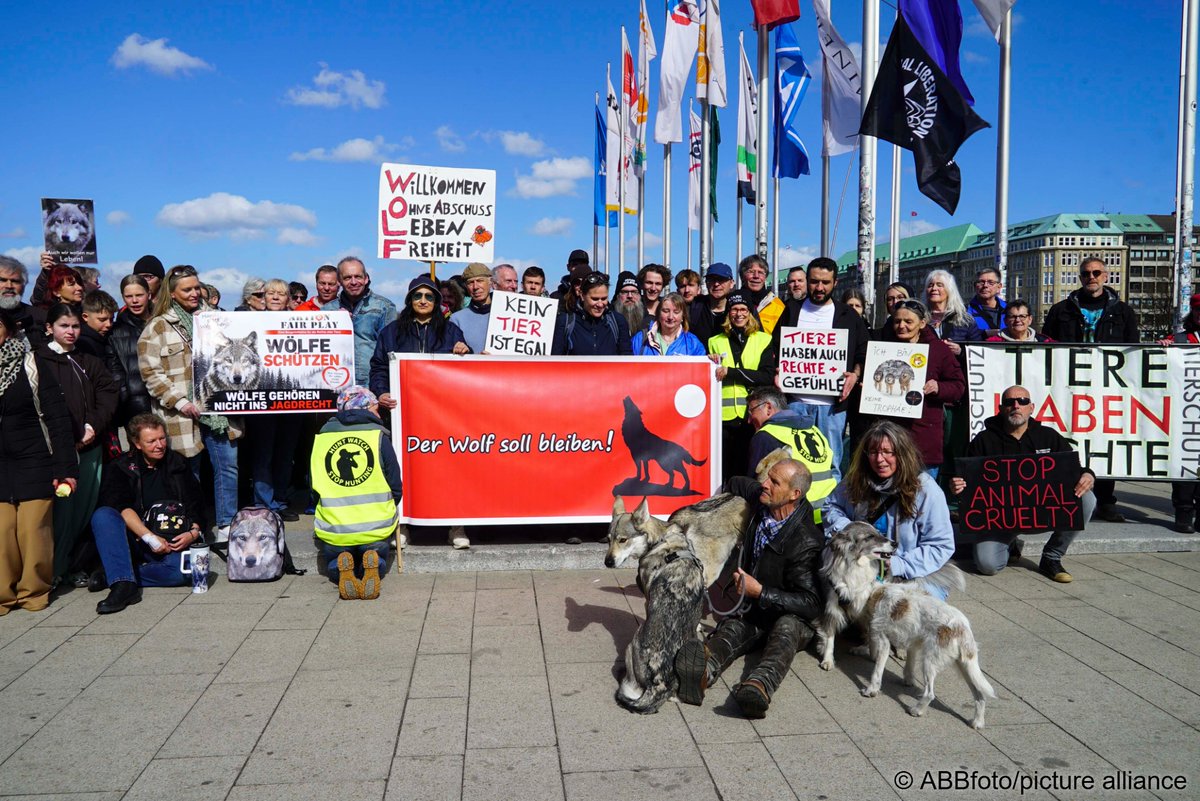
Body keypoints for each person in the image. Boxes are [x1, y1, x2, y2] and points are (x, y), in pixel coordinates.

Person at [674, 459, 823, 718]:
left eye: (774, 482)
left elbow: (812, 604)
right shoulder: (763, 499)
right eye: (768, 477)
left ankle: (759, 686)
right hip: (755, 607)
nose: (764, 484)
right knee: (732, 628)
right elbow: (735, 482)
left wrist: (761, 591)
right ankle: (701, 671)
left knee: (785, 630)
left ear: (794, 494)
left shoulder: (807, 540)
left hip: (794, 616)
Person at [950, 385, 1096, 584]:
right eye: (1010, 402)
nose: (1016, 406)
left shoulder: (1048, 436)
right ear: (1001, 408)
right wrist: (956, 485)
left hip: (1043, 511)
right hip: (999, 518)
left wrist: (1088, 474)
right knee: (987, 565)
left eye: (1023, 401)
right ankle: (1010, 544)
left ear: (1032, 407)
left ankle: (1052, 556)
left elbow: (1073, 469)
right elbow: (965, 480)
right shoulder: (983, 441)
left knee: (1087, 498)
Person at [138, 265, 243, 540]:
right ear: (172, 294)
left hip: (219, 409)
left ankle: (227, 525)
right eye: (187, 289)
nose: (195, 293)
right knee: (188, 472)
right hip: (182, 415)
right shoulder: (158, 327)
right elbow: (151, 373)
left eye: (197, 287)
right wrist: (180, 401)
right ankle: (194, 526)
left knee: (227, 466)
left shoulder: (219, 320)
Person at [370, 276, 470, 549]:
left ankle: (455, 525)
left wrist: (465, 351)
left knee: (449, 469)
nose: (423, 301)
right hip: (405, 415)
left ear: (437, 301)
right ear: (409, 300)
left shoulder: (450, 332)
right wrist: (381, 392)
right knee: (403, 470)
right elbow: (378, 367)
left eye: (429, 296)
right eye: (417, 296)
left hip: (442, 416)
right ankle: (402, 525)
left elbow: (465, 372)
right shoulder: (392, 332)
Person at [1041, 257, 1139, 522]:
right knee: (1069, 437)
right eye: (1086, 273)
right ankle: (1067, 494)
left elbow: (1135, 351)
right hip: (1068, 385)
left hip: (1107, 388)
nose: (1091, 277)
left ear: (1106, 276)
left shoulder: (1124, 312)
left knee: (1106, 440)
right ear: (1080, 277)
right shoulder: (1061, 310)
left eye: (1096, 272)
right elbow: (1045, 345)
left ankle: (1106, 500)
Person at [0, 308, 78, 614]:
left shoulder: (32, 363)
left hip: (34, 458)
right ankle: (3, 596)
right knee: (3, 531)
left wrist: (66, 470)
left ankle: (33, 591)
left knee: (33, 531)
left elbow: (58, 420)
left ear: (8, 329)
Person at [90, 413, 207, 614]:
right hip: (138, 538)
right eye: (151, 441)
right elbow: (120, 506)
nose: (159, 445)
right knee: (103, 515)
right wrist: (150, 537)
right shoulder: (121, 467)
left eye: (162, 438)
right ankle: (123, 587)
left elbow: (196, 505)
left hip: (173, 541)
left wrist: (193, 533)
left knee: (184, 573)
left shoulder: (177, 464)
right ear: (137, 443)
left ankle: (116, 575)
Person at [823, 421, 955, 598]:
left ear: (902, 454)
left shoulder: (926, 490)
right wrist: (849, 531)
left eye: (887, 452)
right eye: (873, 452)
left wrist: (898, 564)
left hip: (914, 572)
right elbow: (831, 506)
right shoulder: (855, 481)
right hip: (864, 567)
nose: (879, 459)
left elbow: (941, 545)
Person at [38, 303, 119, 581]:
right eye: (64, 326)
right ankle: (52, 571)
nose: (70, 332)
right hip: (54, 454)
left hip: (88, 449)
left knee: (81, 512)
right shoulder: (37, 361)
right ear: (49, 328)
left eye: (74, 326)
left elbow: (108, 394)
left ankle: (68, 566)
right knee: (58, 514)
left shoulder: (88, 361)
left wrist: (92, 425)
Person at [774, 257, 869, 481]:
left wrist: (855, 374)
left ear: (835, 283)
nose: (819, 287)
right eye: (814, 281)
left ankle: (830, 512)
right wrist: (778, 371)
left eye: (825, 282)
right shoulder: (792, 310)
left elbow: (863, 351)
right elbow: (776, 346)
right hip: (796, 402)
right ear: (807, 281)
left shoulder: (848, 315)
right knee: (792, 463)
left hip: (833, 407)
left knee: (831, 463)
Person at [311, 386, 403, 599]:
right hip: (376, 526)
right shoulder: (379, 437)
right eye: (375, 408)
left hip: (335, 527)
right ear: (365, 409)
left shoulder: (321, 439)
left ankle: (340, 566)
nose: (379, 414)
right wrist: (389, 506)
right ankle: (375, 562)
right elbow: (395, 484)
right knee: (377, 553)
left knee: (335, 556)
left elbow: (313, 486)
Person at [877, 299, 964, 478]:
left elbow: (958, 386)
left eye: (908, 322)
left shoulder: (938, 349)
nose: (901, 326)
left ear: (922, 323)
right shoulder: (883, 348)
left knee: (923, 496)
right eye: (897, 321)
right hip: (891, 438)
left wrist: (939, 387)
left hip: (924, 438)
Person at [248, 279, 303, 520]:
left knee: (285, 453)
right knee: (263, 454)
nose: (276, 298)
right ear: (263, 297)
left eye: (281, 294)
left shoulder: (300, 322)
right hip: (261, 399)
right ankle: (263, 501)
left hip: (292, 399)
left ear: (288, 298)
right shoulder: (248, 321)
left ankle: (279, 500)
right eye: (271, 293)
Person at [709, 291, 777, 479]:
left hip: (752, 417)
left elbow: (766, 376)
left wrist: (731, 372)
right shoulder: (714, 342)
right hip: (724, 418)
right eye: (734, 309)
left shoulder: (763, 339)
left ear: (750, 312)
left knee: (748, 469)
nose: (738, 314)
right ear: (728, 313)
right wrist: (709, 361)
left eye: (743, 309)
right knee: (723, 471)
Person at [745, 387, 837, 521]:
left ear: (768, 408)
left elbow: (754, 486)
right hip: (828, 511)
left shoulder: (766, 435)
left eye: (751, 411)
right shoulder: (814, 430)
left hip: (795, 517)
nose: (748, 419)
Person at [1160, 294, 1200, 532]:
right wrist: (1163, 348)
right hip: (1185, 413)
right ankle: (1183, 512)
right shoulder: (1180, 339)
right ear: (1193, 314)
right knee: (1184, 461)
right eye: (1198, 311)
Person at [336, 256, 397, 386]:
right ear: (339, 281)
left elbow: (391, 350)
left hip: (371, 384)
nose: (353, 282)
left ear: (366, 278)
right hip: (335, 382)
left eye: (358, 276)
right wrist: (335, 321)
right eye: (347, 278)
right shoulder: (328, 310)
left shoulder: (384, 306)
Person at [108, 275, 154, 428]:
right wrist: (126, 398)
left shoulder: (164, 322)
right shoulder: (115, 331)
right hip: (135, 408)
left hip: (168, 402)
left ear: (149, 294)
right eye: (129, 296)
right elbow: (115, 372)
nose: (134, 301)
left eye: (139, 295)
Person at [551, 271, 633, 356]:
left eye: (604, 298)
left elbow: (627, 360)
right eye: (595, 299)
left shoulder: (618, 321)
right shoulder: (565, 322)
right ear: (582, 296)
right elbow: (555, 362)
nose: (600, 304)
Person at [923, 270, 983, 357]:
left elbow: (978, 351)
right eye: (930, 285)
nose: (934, 288)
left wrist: (961, 351)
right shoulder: (919, 317)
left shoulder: (964, 320)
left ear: (949, 290)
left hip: (955, 367)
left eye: (939, 285)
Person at [630, 292, 705, 356]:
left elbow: (702, 370)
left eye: (676, 312)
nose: (670, 317)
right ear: (658, 314)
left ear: (683, 316)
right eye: (666, 311)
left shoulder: (693, 343)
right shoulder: (640, 339)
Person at [0, 256, 48, 348]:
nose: (9, 286)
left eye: (15, 281)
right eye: (2, 280)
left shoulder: (41, 318)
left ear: (24, 285)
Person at [450, 262, 494, 354]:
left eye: (480, 281)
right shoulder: (456, 319)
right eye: (470, 283)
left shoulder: (507, 314)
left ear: (490, 282)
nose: (475, 287)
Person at [689, 262, 735, 346]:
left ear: (731, 283)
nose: (716, 284)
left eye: (721, 279)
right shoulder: (695, 307)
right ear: (706, 283)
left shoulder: (739, 308)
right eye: (712, 280)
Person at [737, 255, 785, 334]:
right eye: (751, 271)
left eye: (760, 272)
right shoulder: (732, 302)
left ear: (765, 277)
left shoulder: (778, 305)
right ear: (742, 276)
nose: (756, 276)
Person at [986, 300, 1053, 342]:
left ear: (1030, 319)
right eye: (1013, 317)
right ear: (1005, 320)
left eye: (1022, 316)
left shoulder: (1045, 342)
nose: (1017, 320)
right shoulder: (993, 344)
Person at [967, 268, 1007, 338]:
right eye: (981, 282)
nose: (985, 285)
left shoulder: (1009, 310)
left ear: (999, 286)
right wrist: (985, 333)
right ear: (975, 286)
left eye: (990, 282)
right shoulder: (965, 311)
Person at [78, 290, 118, 359]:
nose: (109, 324)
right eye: (102, 320)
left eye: (111, 319)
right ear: (85, 317)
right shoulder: (82, 345)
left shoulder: (112, 336)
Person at [613, 271, 647, 337]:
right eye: (625, 292)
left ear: (640, 296)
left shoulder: (650, 324)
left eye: (634, 292)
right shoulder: (608, 322)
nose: (630, 296)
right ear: (617, 296)